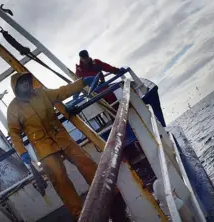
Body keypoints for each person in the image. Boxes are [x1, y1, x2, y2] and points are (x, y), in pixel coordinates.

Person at [7, 72, 128, 220]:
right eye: (21, 83)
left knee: (86, 162)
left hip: (62, 138)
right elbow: (14, 132)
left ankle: (112, 197)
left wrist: (82, 81)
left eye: (26, 81)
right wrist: (22, 152)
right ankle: (80, 215)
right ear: (16, 87)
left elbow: (62, 92)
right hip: (43, 148)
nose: (25, 84)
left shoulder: (42, 93)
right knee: (59, 179)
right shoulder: (13, 108)